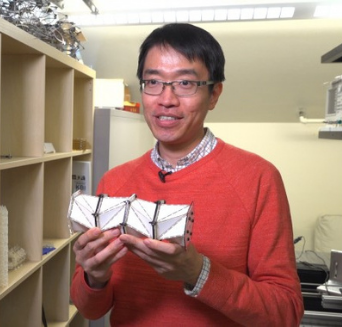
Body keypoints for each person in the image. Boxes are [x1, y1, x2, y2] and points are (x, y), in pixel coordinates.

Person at [70, 23, 304, 326]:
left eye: (185, 84)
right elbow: (90, 310)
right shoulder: (114, 182)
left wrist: (198, 272)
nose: (166, 99)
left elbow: (285, 313)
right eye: (153, 81)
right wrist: (94, 276)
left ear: (214, 94)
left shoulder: (258, 178)